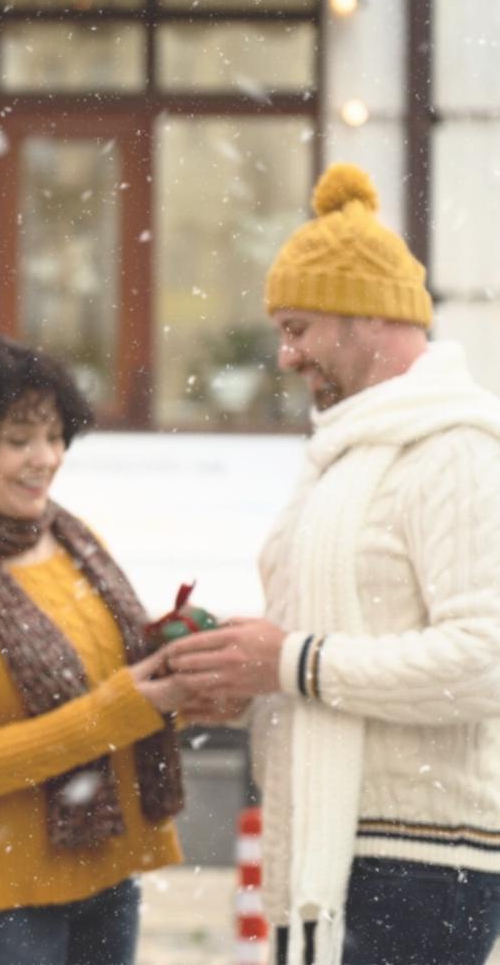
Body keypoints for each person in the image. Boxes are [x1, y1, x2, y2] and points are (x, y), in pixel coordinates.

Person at [165, 163, 500, 965]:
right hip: (341, 843)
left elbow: (485, 659)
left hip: (422, 854)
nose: (284, 356)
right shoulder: (347, 458)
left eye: (297, 327)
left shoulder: (453, 452)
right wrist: (242, 679)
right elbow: (322, 656)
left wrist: (286, 661)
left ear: (367, 317)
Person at [0, 334, 190, 965]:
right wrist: (124, 707)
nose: (45, 458)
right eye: (18, 440)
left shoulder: (75, 540)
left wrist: (178, 658)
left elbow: (106, 670)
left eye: (54, 436)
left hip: (102, 865)